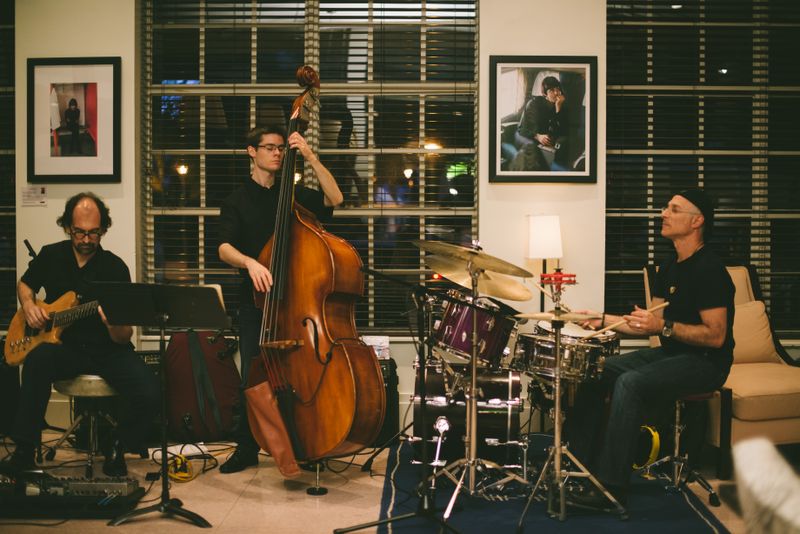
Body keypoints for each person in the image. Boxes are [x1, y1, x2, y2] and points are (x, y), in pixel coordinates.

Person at [566, 187, 735, 508]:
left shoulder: (709, 269)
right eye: (666, 207)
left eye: (674, 209)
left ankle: (612, 487)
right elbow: (649, 322)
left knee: (629, 383)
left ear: (697, 220)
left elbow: (716, 337)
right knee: (594, 370)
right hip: (672, 355)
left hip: (706, 363)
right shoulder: (669, 268)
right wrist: (601, 319)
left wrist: (664, 327)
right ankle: (580, 470)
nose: (663, 213)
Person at [0, 192, 160, 477]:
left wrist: (114, 325)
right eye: (79, 232)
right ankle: (24, 449)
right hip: (66, 348)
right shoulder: (51, 255)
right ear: (67, 227)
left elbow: (124, 337)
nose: (86, 239)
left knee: (149, 389)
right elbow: (25, 284)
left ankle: (117, 444)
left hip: (107, 350)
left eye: (93, 233)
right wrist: (29, 305)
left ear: (104, 229)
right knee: (37, 361)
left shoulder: (115, 267)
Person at [217, 125, 344, 473]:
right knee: (253, 378)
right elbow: (224, 247)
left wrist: (310, 156)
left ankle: (304, 441)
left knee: (300, 374)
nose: (276, 153)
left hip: (297, 303)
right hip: (255, 303)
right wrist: (250, 262)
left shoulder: (292, 194)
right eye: (269, 147)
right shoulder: (236, 201)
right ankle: (245, 448)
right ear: (251, 151)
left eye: (280, 149)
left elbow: (336, 199)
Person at [510, 75, 570, 171]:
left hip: (542, 137)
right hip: (524, 135)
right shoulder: (534, 104)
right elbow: (524, 129)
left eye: (557, 89)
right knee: (533, 151)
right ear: (545, 94)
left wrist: (558, 109)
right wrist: (537, 136)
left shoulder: (560, 104)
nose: (556, 93)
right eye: (551, 91)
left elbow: (562, 131)